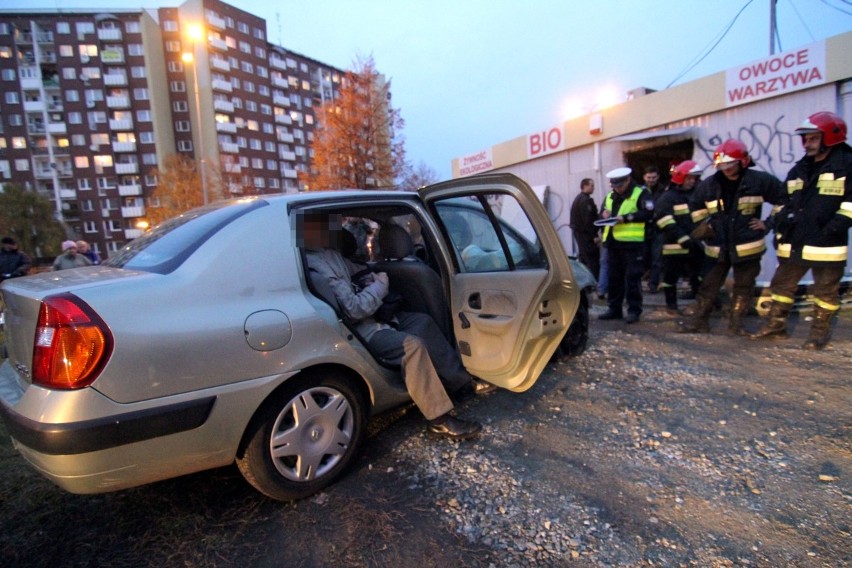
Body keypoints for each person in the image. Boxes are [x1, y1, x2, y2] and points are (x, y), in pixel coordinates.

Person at [301, 212, 492, 440]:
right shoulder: (312, 263)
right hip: (360, 330)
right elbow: (354, 309)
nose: (332, 230)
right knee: (411, 346)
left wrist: (372, 273)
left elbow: (356, 270)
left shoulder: (328, 254)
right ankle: (438, 419)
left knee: (422, 322)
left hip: (373, 318)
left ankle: (460, 384)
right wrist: (380, 285)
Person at [751, 111, 852, 350]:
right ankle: (775, 327)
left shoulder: (847, 165)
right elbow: (783, 202)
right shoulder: (799, 169)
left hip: (827, 245)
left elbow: (850, 206)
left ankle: (818, 335)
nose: (807, 143)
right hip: (795, 240)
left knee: (825, 292)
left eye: (813, 138)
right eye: (805, 139)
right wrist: (774, 225)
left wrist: (829, 230)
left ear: (830, 137)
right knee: (782, 286)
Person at [679, 139, 786, 335]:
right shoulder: (710, 185)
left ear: (743, 161)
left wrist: (768, 223)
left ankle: (736, 325)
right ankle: (699, 322)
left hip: (748, 246)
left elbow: (784, 200)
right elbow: (694, 208)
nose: (726, 169)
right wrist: (705, 227)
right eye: (722, 165)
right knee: (708, 285)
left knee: (744, 286)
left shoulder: (759, 181)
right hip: (717, 246)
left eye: (730, 164)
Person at [598, 167, 655, 323]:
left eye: (620, 185)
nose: (617, 189)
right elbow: (602, 213)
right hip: (612, 243)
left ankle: (634, 310)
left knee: (632, 278)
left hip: (632, 244)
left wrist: (627, 218)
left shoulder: (641, 193)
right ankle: (614, 309)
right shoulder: (610, 195)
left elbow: (648, 213)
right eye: (614, 186)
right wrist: (604, 215)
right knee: (613, 278)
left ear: (628, 180)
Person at [653, 161, 705, 315]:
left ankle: (702, 306)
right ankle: (671, 306)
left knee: (699, 276)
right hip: (673, 247)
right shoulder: (668, 197)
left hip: (696, 244)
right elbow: (664, 221)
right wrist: (682, 238)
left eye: (693, 179)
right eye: (688, 178)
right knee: (670, 278)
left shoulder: (696, 195)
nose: (692, 181)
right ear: (680, 178)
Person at [642, 165, 668, 293]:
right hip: (643, 229)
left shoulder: (663, 190)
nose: (651, 180)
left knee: (657, 259)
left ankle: (653, 284)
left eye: (653, 177)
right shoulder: (639, 191)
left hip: (658, 228)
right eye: (649, 177)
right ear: (644, 177)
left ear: (657, 177)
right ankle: (645, 279)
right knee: (644, 257)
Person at [569, 178, 601, 280]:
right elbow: (588, 221)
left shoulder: (579, 198)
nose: (593, 188)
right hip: (586, 235)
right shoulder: (585, 201)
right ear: (585, 186)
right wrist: (594, 236)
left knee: (584, 258)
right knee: (592, 260)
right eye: (592, 185)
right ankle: (594, 282)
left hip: (580, 234)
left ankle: (587, 283)